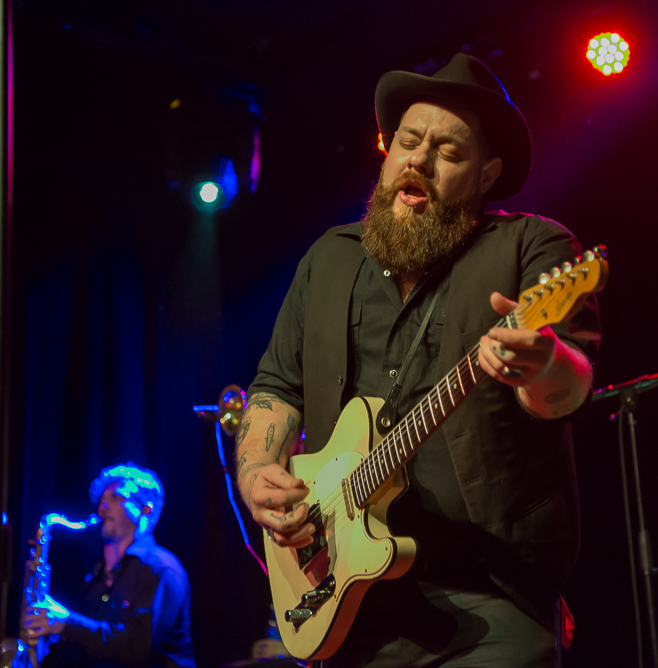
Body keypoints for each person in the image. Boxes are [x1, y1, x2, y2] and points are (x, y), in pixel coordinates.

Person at [237, 53, 601, 667]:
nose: (419, 161)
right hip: (347, 601)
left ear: (487, 174)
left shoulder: (532, 247)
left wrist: (540, 365)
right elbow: (276, 385)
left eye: (448, 152)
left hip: (490, 601)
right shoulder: (329, 259)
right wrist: (254, 475)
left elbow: (570, 387)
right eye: (408, 141)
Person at [24, 463, 196, 668]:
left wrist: (65, 622)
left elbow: (138, 646)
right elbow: (85, 644)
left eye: (115, 497)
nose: (102, 507)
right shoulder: (96, 575)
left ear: (145, 509)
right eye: (102, 500)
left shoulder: (162, 569)